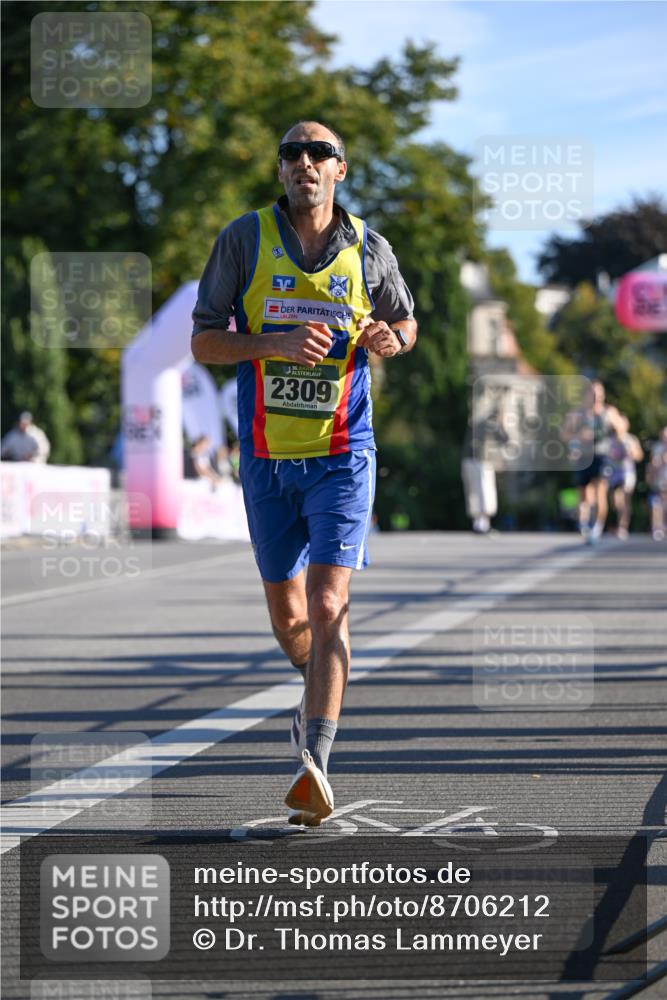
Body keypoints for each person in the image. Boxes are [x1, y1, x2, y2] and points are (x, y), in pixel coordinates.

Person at [191, 120, 416, 825]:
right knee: (291, 621)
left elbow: (406, 325)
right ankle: (315, 688)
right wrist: (273, 343)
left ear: (339, 170)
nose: (304, 163)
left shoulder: (369, 248)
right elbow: (202, 341)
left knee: (327, 605)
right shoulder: (242, 239)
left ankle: (314, 762)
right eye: (292, 153)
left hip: (343, 452)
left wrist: (389, 338)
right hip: (264, 457)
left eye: (319, 153)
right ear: (282, 170)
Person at [561, 380, 621, 543]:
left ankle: (597, 528)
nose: (596, 397)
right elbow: (564, 434)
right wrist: (578, 437)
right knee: (585, 495)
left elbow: (622, 430)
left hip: (602, 456)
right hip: (583, 457)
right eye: (593, 393)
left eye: (599, 393)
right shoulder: (577, 414)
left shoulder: (608, 412)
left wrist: (616, 426)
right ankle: (584, 523)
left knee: (600, 490)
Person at [606, 415, 643, 539]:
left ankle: (622, 527)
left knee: (625, 499)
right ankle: (620, 523)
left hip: (627, 473)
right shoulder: (610, 440)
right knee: (615, 502)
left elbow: (639, 455)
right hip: (613, 473)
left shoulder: (631, 439)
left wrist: (633, 453)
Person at [647, 426, 667, 541]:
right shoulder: (657, 448)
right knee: (656, 505)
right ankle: (657, 528)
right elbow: (652, 465)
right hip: (658, 482)